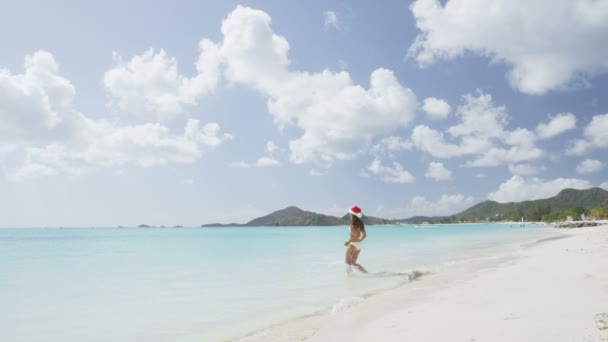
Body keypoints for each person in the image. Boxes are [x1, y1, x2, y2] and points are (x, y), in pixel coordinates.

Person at [344, 206, 368, 274]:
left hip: (352, 245)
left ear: (352, 214)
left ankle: (349, 277)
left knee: (347, 262)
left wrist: (348, 241)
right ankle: (366, 273)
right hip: (358, 246)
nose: (349, 214)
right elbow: (364, 235)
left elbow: (357, 235)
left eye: (349, 213)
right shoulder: (360, 223)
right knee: (352, 263)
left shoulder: (353, 224)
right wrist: (359, 241)